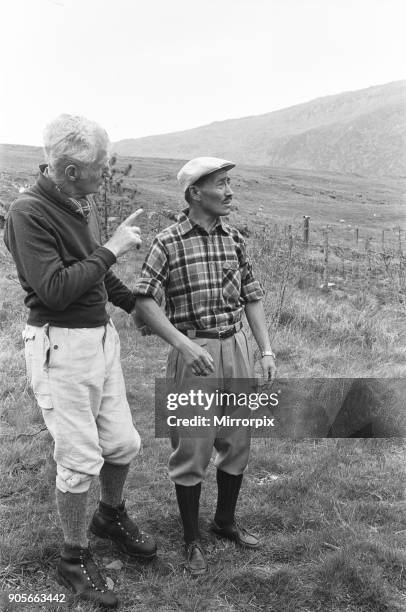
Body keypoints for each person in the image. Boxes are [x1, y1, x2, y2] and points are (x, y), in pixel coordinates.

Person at [4, 114, 157, 609]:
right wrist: (112, 250)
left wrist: (132, 304)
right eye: (99, 167)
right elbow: (54, 288)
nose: (105, 174)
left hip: (99, 339)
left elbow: (90, 270)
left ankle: (108, 517)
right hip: (59, 348)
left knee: (123, 442)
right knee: (79, 460)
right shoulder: (28, 213)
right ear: (69, 170)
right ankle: (73, 556)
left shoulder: (78, 201)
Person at [134, 157, 276, 576]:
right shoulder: (169, 242)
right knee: (192, 446)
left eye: (229, 182)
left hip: (236, 348)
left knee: (238, 440)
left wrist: (265, 350)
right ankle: (191, 539)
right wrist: (182, 343)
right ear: (196, 192)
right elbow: (143, 301)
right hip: (192, 352)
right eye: (221, 183)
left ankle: (225, 522)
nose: (230, 191)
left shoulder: (234, 238)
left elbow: (252, 295)